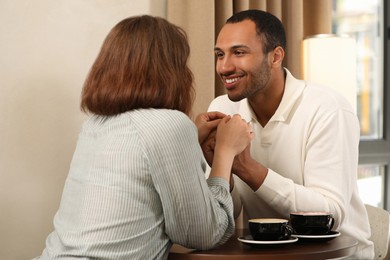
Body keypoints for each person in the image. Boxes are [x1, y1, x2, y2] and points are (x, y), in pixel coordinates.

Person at [34, 15, 253, 260]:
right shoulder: (170, 125)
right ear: (171, 71)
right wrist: (225, 152)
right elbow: (204, 234)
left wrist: (191, 138)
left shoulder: (93, 126)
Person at [202, 9, 374, 259]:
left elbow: (331, 214)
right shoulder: (222, 109)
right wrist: (222, 170)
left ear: (275, 56)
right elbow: (231, 208)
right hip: (267, 253)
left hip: (337, 256)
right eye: (219, 55)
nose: (225, 66)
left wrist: (248, 169)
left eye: (239, 52)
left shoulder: (327, 108)